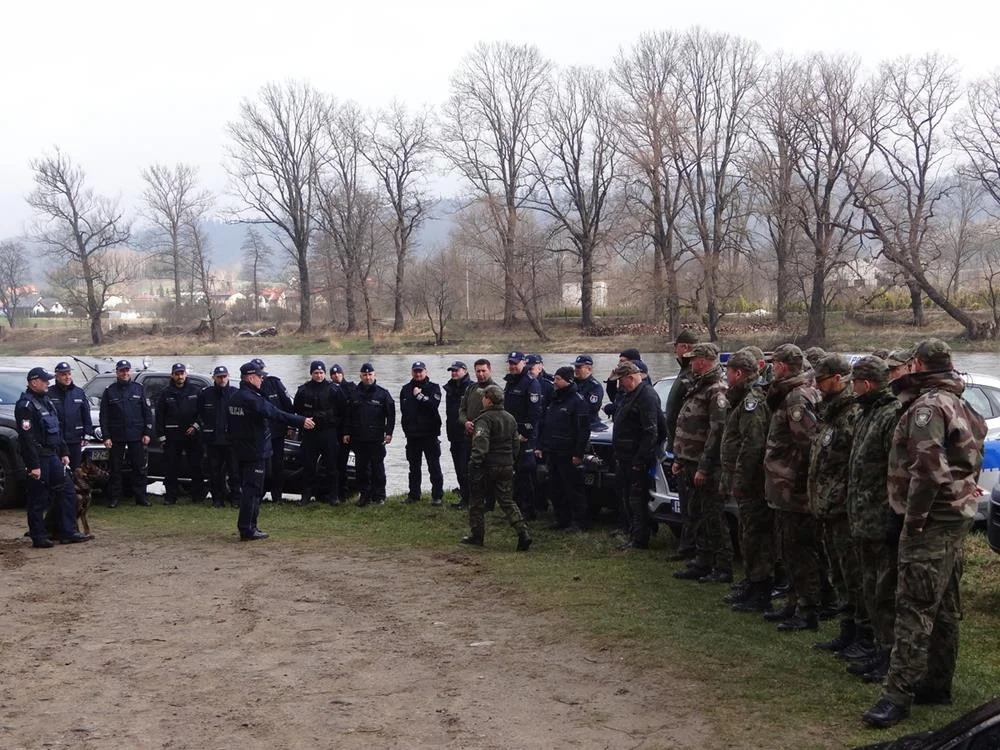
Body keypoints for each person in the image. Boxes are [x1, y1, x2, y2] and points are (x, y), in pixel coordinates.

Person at [863, 339, 987, 729]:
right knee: (945, 605)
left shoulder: (929, 406)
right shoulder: (959, 401)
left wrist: (912, 519)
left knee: (914, 606)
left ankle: (897, 695)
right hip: (955, 518)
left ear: (918, 363)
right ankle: (937, 683)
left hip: (931, 522)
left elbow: (929, 470)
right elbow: (971, 454)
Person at [846, 355, 902, 684]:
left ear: (866, 383)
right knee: (870, 588)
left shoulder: (889, 415)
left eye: (854, 383)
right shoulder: (869, 413)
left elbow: (895, 471)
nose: (851, 388)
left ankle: (890, 654)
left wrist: (892, 515)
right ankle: (879, 647)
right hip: (863, 519)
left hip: (881, 520)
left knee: (885, 592)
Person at [763, 344, 821, 632]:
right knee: (788, 549)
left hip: (794, 487)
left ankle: (808, 609)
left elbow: (810, 445)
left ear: (783, 367)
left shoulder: (797, 398)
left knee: (800, 551)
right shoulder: (788, 394)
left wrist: (798, 480)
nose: (772, 369)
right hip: (783, 485)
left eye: (774, 364)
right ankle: (793, 602)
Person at [808, 355, 863, 655]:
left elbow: (856, 464)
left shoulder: (852, 414)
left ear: (839, 379)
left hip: (844, 508)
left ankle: (862, 635)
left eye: (822, 379)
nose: (817, 385)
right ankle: (847, 630)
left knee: (852, 575)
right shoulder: (831, 412)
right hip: (828, 505)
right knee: (838, 573)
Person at [228, 362, 314, 540]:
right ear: (251, 378)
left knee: (250, 488)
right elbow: (275, 413)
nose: (262, 379)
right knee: (253, 490)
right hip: (254, 451)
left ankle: (250, 526)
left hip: (241, 450)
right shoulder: (251, 399)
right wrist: (300, 421)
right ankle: (248, 529)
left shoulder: (235, 397)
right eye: (260, 376)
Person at [671, 343, 733, 583]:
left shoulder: (716, 390)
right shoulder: (699, 386)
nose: (690, 363)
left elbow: (716, 432)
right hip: (689, 461)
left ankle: (723, 567)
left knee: (713, 517)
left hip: (705, 466)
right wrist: (680, 457)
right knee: (696, 514)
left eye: (694, 359)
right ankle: (702, 560)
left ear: (705, 360)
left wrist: (704, 467)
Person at [719, 349, 772, 612]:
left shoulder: (752, 401)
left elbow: (752, 445)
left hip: (752, 484)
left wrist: (740, 480)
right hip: (743, 482)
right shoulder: (740, 399)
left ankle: (760, 590)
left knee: (755, 537)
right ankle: (751, 583)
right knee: (747, 534)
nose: (726, 377)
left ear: (738, 373)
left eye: (727, 372)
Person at [16, 367, 89, 547]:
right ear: (34, 382)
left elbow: (57, 429)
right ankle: (39, 536)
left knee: (68, 491)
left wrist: (64, 452)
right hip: (38, 458)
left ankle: (68, 531)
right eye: (44, 380)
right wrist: (33, 465)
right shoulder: (25, 406)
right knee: (38, 498)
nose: (48, 383)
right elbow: (27, 438)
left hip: (54, 456)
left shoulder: (47, 401)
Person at [461, 385, 532, 551]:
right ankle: (523, 532)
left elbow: (481, 443)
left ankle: (477, 536)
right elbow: (516, 444)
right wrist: (511, 460)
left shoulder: (483, 419)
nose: (482, 399)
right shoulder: (510, 418)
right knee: (507, 500)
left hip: (487, 466)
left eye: (483, 397)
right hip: (506, 465)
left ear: (489, 400)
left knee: (476, 500)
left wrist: (474, 463)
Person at [610, 361, 660, 550]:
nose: (620, 385)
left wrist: (640, 460)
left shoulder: (646, 396)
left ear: (631, 378)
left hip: (635, 458)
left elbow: (651, 431)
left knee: (636, 499)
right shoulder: (631, 395)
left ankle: (640, 538)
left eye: (622, 381)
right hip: (624, 456)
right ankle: (634, 532)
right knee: (628, 497)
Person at [534, 366, 590, 531]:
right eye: (555, 378)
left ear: (568, 380)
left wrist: (578, 453)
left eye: (558, 379)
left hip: (569, 453)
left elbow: (583, 430)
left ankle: (579, 521)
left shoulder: (578, 401)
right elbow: (546, 424)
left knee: (573, 488)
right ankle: (561, 519)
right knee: (555, 487)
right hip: (553, 451)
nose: (554, 382)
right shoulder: (554, 399)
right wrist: (541, 446)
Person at [99, 359, 153, 508]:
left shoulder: (138, 389)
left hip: (136, 435)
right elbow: (104, 416)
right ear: (117, 372)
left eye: (127, 370)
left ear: (130, 371)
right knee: (115, 468)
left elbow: (147, 413)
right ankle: (115, 498)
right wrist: (106, 436)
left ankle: (141, 497)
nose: (125, 373)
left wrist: (147, 432)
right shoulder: (109, 391)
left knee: (139, 467)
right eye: (122, 370)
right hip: (117, 436)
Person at [664, 330, 699, 560]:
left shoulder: (690, 376)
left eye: (676, 346)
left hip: (690, 449)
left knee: (695, 504)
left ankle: (695, 549)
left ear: (684, 347)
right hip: (678, 448)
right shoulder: (683, 372)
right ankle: (687, 546)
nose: (674, 350)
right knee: (685, 501)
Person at [293, 360, 347, 505]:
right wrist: (305, 418)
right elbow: (296, 409)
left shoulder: (333, 389)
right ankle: (306, 496)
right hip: (310, 433)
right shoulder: (303, 390)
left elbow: (343, 410)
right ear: (311, 373)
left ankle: (334, 496)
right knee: (308, 465)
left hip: (328, 432)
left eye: (321, 372)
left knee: (332, 465)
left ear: (325, 373)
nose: (319, 375)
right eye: (316, 373)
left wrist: (334, 423)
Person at [48, 361, 93, 530]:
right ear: (57, 376)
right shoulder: (50, 393)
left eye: (69, 373)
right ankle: (55, 512)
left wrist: (87, 434)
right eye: (63, 374)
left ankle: (72, 511)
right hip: (57, 442)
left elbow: (86, 415)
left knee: (74, 477)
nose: (67, 377)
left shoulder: (79, 392)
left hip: (74, 441)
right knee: (57, 478)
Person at [155, 363, 206, 505]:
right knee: (171, 467)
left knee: (196, 466)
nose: (180, 376)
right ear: (172, 375)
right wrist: (162, 436)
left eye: (182, 373)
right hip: (172, 436)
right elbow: (159, 416)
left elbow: (203, 413)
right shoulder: (165, 393)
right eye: (177, 374)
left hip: (192, 435)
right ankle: (170, 497)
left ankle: (198, 496)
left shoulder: (196, 391)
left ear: (186, 374)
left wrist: (195, 426)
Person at [344, 362, 394, 506]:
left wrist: (389, 433)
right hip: (359, 438)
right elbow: (348, 415)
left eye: (370, 374)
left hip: (376, 438)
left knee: (378, 468)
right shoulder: (354, 394)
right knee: (361, 469)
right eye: (365, 375)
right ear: (360, 376)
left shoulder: (383, 394)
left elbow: (391, 415)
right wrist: (346, 432)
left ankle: (379, 496)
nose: (367, 377)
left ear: (374, 375)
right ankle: (364, 496)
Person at [398, 360, 444, 505]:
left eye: (420, 371)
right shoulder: (405, 389)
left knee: (434, 466)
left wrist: (420, 397)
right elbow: (403, 411)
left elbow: (433, 405)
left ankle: (437, 496)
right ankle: (413, 495)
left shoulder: (434, 388)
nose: (418, 373)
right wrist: (406, 429)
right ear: (412, 372)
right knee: (414, 467)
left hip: (430, 435)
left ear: (426, 372)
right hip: (412, 436)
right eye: (415, 371)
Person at [503, 351, 542, 519]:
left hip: (525, 436)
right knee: (514, 473)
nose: (512, 366)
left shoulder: (531, 383)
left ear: (523, 364)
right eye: (511, 363)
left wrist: (525, 433)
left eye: (516, 363)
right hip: (511, 434)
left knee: (525, 473)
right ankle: (515, 509)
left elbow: (534, 412)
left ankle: (528, 510)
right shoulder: (510, 382)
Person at [251, 358, 294, 504]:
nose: (261, 376)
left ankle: (277, 496)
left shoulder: (274, 383)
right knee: (262, 467)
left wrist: (290, 425)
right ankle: (260, 494)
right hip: (259, 435)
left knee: (277, 465)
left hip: (277, 432)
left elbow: (287, 405)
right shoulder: (250, 387)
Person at [198, 366, 240, 508]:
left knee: (234, 472)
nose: (222, 379)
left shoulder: (235, 393)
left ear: (228, 376)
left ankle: (235, 499)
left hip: (231, 440)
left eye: (224, 376)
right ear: (214, 378)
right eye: (219, 377)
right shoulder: (206, 394)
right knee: (214, 472)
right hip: (213, 440)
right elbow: (200, 414)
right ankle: (217, 500)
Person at [458, 359, 498, 510]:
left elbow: (498, 415)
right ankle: (467, 499)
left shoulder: (496, 390)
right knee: (466, 469)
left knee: (487, 472)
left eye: (483, 371)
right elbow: (462, 410)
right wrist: (465, 422)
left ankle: (489, 503)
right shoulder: (470, 388)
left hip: (487, 439)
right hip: (469, 435)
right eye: (478, 371)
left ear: (489, 370)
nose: (480, 374)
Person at [443, 361, 472, 509]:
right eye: (452, 371)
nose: (453, 373)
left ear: (465, 371)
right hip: (453, 433)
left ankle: (469, 499)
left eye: (456, 370)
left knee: (465, 468)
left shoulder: (471, 387)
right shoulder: (450, 388)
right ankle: (464, 496)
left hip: (467, 435)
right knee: (458, 468)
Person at [330, 364, 357, 502]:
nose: (336, 376)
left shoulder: (351, 387)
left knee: (357, 462)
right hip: (336, 431)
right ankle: (340, 493)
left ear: (342, 374)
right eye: (333, 374)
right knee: (339, 463)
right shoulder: (329, 389)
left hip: (351, 430)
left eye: (338, 373)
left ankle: (354, 491)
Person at [572, 354, 604, 427]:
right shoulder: (571, 383)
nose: (575, 369)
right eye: (575, 366)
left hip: (588, 424)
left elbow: (590, 408)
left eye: (579, 367)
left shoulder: (595, 387)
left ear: (589, 369)